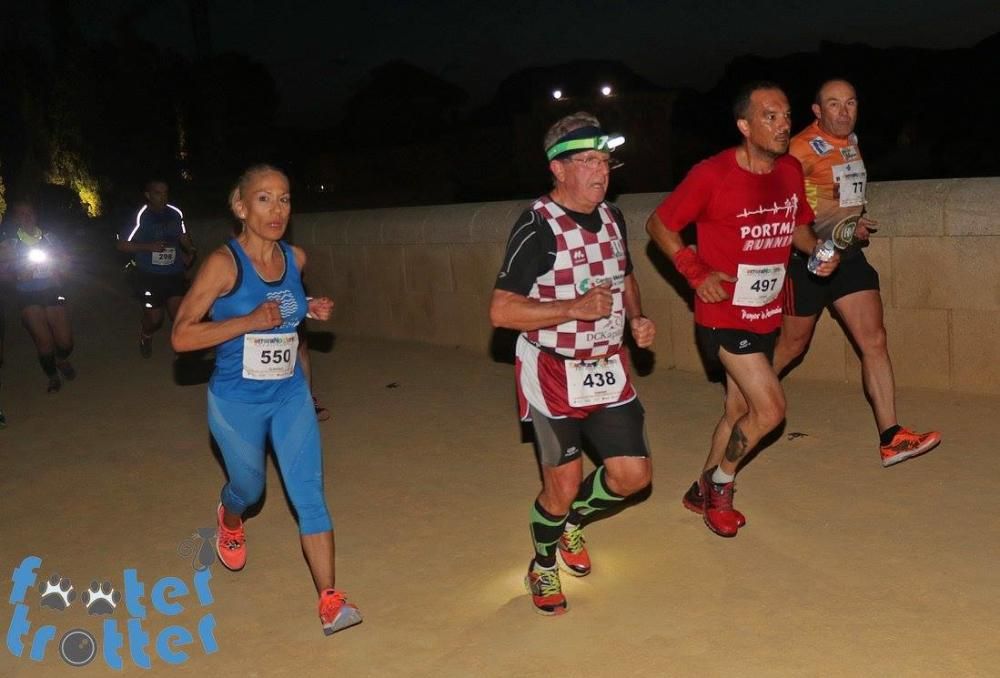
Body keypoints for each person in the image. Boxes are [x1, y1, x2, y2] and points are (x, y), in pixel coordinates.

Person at [171, 165, 361, 636]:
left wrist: (309, 308)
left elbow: (288, 314)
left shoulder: (295, 258)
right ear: (240, 206)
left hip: (289, 393)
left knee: (309, 493)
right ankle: (229, 515)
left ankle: (331, 600)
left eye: (285, 199)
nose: (277, 210)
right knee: (249, 490)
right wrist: (247, 321)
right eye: (264, 199)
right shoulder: (223, 264)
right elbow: (181, 337)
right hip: (236, 401)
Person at [646, 82, 837, 538]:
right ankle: (720, 487)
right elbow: (659, 224)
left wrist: (818, 252)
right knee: (770, 410)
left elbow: (799, 228)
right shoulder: (711, 175)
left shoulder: (790, 170)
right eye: (769, 116)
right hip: (723, 314)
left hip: (764, 310)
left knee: (737, 411)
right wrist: (696, 272)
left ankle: (698, 489)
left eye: (786, 114)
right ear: (744, 126)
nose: (782, 123)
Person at [490, 112, 656, 615]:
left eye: (604, 161)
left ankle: (571, 528)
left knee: (633, 477)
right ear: (557, 169)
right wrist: (570, 309)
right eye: (586, 161)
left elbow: (624, 273)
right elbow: (500, 311)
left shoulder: (612, 216)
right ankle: (542, 565)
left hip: (606, 367)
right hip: (551, 371)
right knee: (560, 486)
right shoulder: (536, 225)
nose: (600, 171)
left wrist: (637, 318)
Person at [775, 79, 941, 467]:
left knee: (875, 341)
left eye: (850, 103)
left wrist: (855, 221)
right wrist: (811, 244)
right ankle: (747, 391)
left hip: (847, 257)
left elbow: (837, 195)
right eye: (833, 104)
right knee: (792, 346)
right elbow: (783, 207)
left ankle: (891, 436)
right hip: (808, 263)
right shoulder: (798, 149)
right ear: (817, 111)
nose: (843, 111)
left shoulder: (850, 140)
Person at [0, 201, 76, 394]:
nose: (27, 217)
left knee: (66, 342)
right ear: (15, 218)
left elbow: (68, 266)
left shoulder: (51, 238)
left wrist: (60, 270)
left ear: (36, 215)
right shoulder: (9, 242)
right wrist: (18, 276)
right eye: (21, 214)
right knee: (44, 340)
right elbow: (3, 273)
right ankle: (52, 376)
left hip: (52, 290)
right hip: (26, 294)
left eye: (30, 213)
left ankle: (60, 358)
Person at [117, 180, 196, 358]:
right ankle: (146, 335)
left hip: (174, 272)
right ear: (148, 195)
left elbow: (183, 236)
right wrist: (147, 247)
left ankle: (183, 349)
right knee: (155, 319)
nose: (163, 197)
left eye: (165, 192)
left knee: (179, 314)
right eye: (158, 193)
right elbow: (121, 245)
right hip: (149, 276)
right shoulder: (140, 216)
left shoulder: (175, 213)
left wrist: (190, 249)